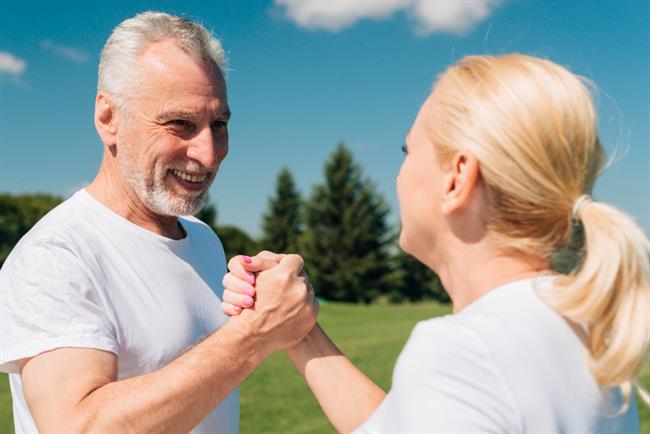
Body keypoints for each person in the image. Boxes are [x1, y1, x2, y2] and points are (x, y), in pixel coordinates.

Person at [222, 54, 649, 432]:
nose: (399, 175)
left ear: (457, 178)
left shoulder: (462, 352)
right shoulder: (583, 327)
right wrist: (298, 328)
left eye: (408, 150)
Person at [0, 11, 318, 434]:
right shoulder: (56, 255)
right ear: (108, 119)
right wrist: (256, 334)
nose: (208, 153)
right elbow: (75, 426)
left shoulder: (203, 240)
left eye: (218, 124)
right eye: (180, 124)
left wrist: (264, 305)